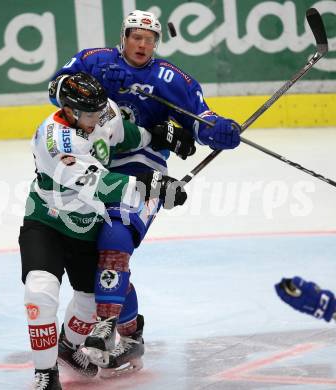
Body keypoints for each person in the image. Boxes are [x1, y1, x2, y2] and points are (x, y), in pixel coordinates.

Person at [48, 9, 241, 377]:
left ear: (156, 44)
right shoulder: (94, 60)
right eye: (136, 36)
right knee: (97, 259)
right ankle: (130, 333)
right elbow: (56, 91)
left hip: (143, 169)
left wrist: (218, 130)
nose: (143, 44)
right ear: (124, 37)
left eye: (150, 39)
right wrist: (96, 81)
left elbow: (202, 118)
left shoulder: (171, 78)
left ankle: (104, 330)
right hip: (92, 167)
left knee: (116, 234)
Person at [20, 72, 190, 389]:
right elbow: (101, 186)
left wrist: (155, 136)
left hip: (87, 226)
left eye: (100, 111)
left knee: (88, 303)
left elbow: (121, 133)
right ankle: (45, 375)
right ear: (69, 111)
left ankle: (68, 349)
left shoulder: (102, 110)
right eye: (89, 114)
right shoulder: (56, 142)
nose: (97, 118)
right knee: (40, 291)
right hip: (47, 221)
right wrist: (153, 184)